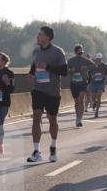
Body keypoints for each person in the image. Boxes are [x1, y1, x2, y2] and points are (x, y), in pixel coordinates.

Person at [27, 25, 68, 163]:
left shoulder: (58, 52)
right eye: (38, 35)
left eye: (40, 35)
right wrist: (31, 75)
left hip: (53, 91)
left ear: (47, 37)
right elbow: (34, 66)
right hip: (38, 89)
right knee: (36, 117)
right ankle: (36, 151)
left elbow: (64, 71)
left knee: (52, 120)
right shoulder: (36, 52)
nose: (38, 37)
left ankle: (53, 146)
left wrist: (48, 67)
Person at [68, 44, 96, 127]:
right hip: (74, 83)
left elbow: (94, 65)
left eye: (81, 53)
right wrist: (71, 71)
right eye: (78, 53)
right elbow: (65, 71)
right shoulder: (70, 61)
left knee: (81, 99)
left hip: (83, 83)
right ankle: (77, 117)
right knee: (77, 102)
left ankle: (80, 119)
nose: (80, 55)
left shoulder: (85, 60)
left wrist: (86, 67)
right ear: (75, 53)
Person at [88, 53, 107, 119]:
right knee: (93, 98)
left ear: (101, 59)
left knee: (98, 96)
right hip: (94, 84)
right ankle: (95, 102)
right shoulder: (92, 66)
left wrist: (105, 77)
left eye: (99, 59)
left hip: (101, 84)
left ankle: (97, 112)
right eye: (97, 59)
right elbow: (89, 74)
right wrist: (91, 77)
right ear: (95, 59)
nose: (98, 60)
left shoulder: (104, 66)